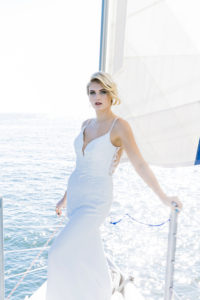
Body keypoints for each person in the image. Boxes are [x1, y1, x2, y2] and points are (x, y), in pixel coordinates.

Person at [45, 71, 183, 300]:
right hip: (76, 197)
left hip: (95, 201)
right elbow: (80, 166)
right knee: (88, 254)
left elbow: (139, 164)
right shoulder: (85, 124)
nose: (96, 97)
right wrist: (64, 198)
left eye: (102, 92)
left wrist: (164, 197)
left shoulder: (119, 126)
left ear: (111, 95)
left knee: (57, 253)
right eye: (92, 92)